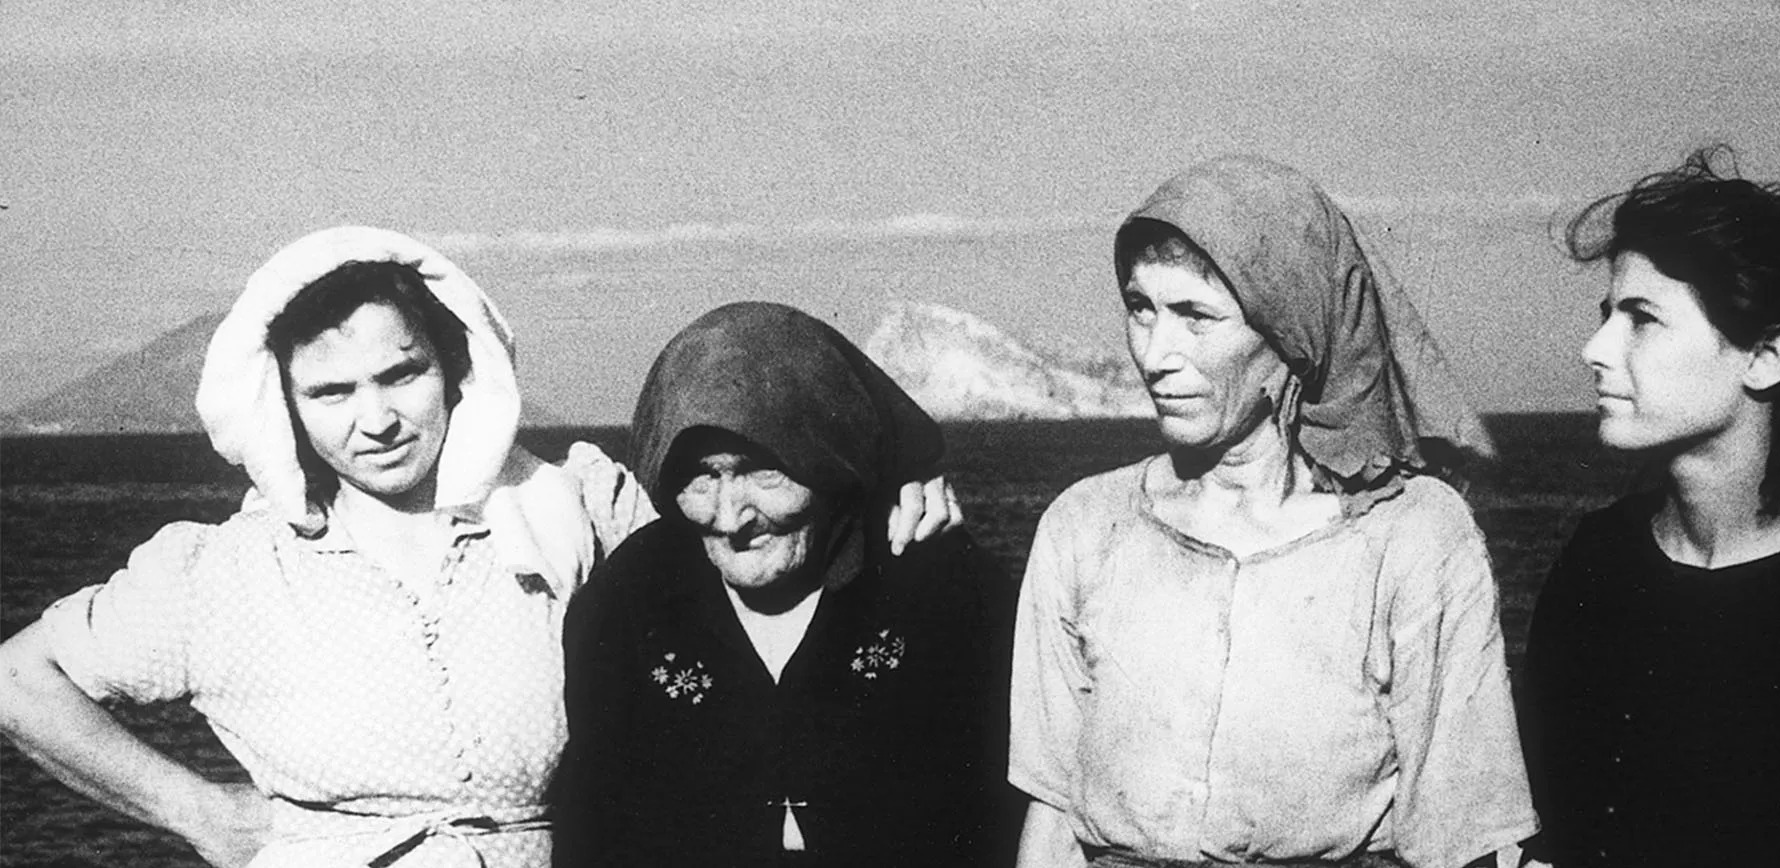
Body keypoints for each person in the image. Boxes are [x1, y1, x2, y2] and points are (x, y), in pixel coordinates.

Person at [0, 227, 958, 868]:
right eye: (331, 393)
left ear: (457, 369)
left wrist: (890, 489)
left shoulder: (574, 505)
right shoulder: (222, 571)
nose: (375, 420)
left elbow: (751, 538)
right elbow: (19, 679)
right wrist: (200, 815)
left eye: (401, 374)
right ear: (281, 404)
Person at [1011, 156, 1538, 868]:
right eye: (1141, 308)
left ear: (1292, 335)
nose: (1155, 354)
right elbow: (1052, 812)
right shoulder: (1085, 526)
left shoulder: (1412, 536)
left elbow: (1460, 835)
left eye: (1196, 316)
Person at [1519, 148, 1780, 868]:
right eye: (1607, 315)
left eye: (1642, 319)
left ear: (1765, 357)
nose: (1594, 349)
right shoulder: (1597, 560)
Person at [553, 301, 1017, 868]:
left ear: (830, 458)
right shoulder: (629, 601)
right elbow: (590, 830)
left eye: (763, 471)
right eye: (701, 477)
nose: (731, 518)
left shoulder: (938, 587)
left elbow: (1003, 817)